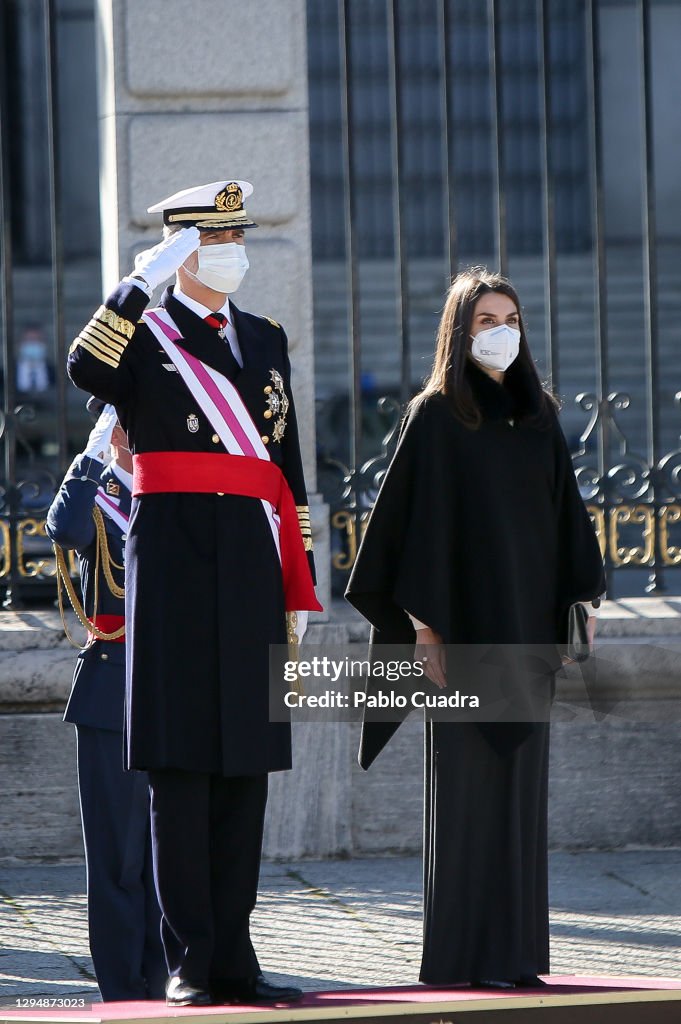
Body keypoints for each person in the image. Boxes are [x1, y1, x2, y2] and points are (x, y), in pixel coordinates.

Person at [66, 178, 321, 1007]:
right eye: (215, 237)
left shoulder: (265, 338)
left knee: (245, 765)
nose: (232, 248)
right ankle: (192, 959)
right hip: (173, 566)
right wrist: (139, 284)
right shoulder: (144, 333)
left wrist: (299, 578)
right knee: (180, 768)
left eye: (237, 234)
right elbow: (83, 367)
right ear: (183, 248)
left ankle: (237, 957)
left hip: (251, 566)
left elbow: (287, 469)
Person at [345, 268, 605, 989]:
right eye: (487, 319)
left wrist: (578, 608)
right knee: (465, 799)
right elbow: (408, 535)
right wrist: (425, 633)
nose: (502, 332)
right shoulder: (435, 416)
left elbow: (565, 524)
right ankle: (459, 961)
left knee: (519, 801)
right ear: (460, 333)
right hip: (456, 642)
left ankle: (515, 959)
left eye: (511, 318)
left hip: (527, 643)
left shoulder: (539, 415)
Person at [46, 399, 165, 1001]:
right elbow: (62, 530)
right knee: (119, 853)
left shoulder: (165, 487)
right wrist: (92, 458)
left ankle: (167, 976)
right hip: (111, 687)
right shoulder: (97, 497)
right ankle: (124, 985)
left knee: (164, 849)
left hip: (169, 687)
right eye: (123, 416)